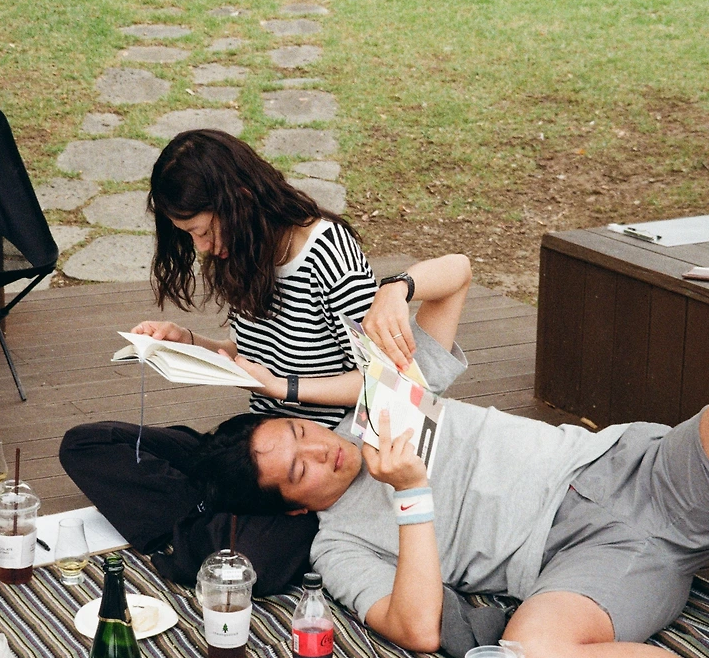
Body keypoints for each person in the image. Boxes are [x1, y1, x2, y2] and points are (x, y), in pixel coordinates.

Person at [192, 307, 709, 658]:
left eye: (302, 433)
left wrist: (397, 290)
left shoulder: (376, 405)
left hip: (630, 466)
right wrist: (411, 492)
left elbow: (456, 277)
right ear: (290, 507)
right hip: (587, 563)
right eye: (299, 469)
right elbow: (416, 627)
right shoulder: (336, 543)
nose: (321, 450)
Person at [60, 128, 472, 593]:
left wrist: (284, 389)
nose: (201, 247)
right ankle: (210, 516)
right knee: (86, 445)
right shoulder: (245, 251)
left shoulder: (328, 254)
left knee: (253, 563)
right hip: (252, 444)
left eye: (202, 231)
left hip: (319, 463)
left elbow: (385, 382)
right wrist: (188, 343)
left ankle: (203, 519)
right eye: (190, 235)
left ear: (238, 199)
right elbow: (255, 357)